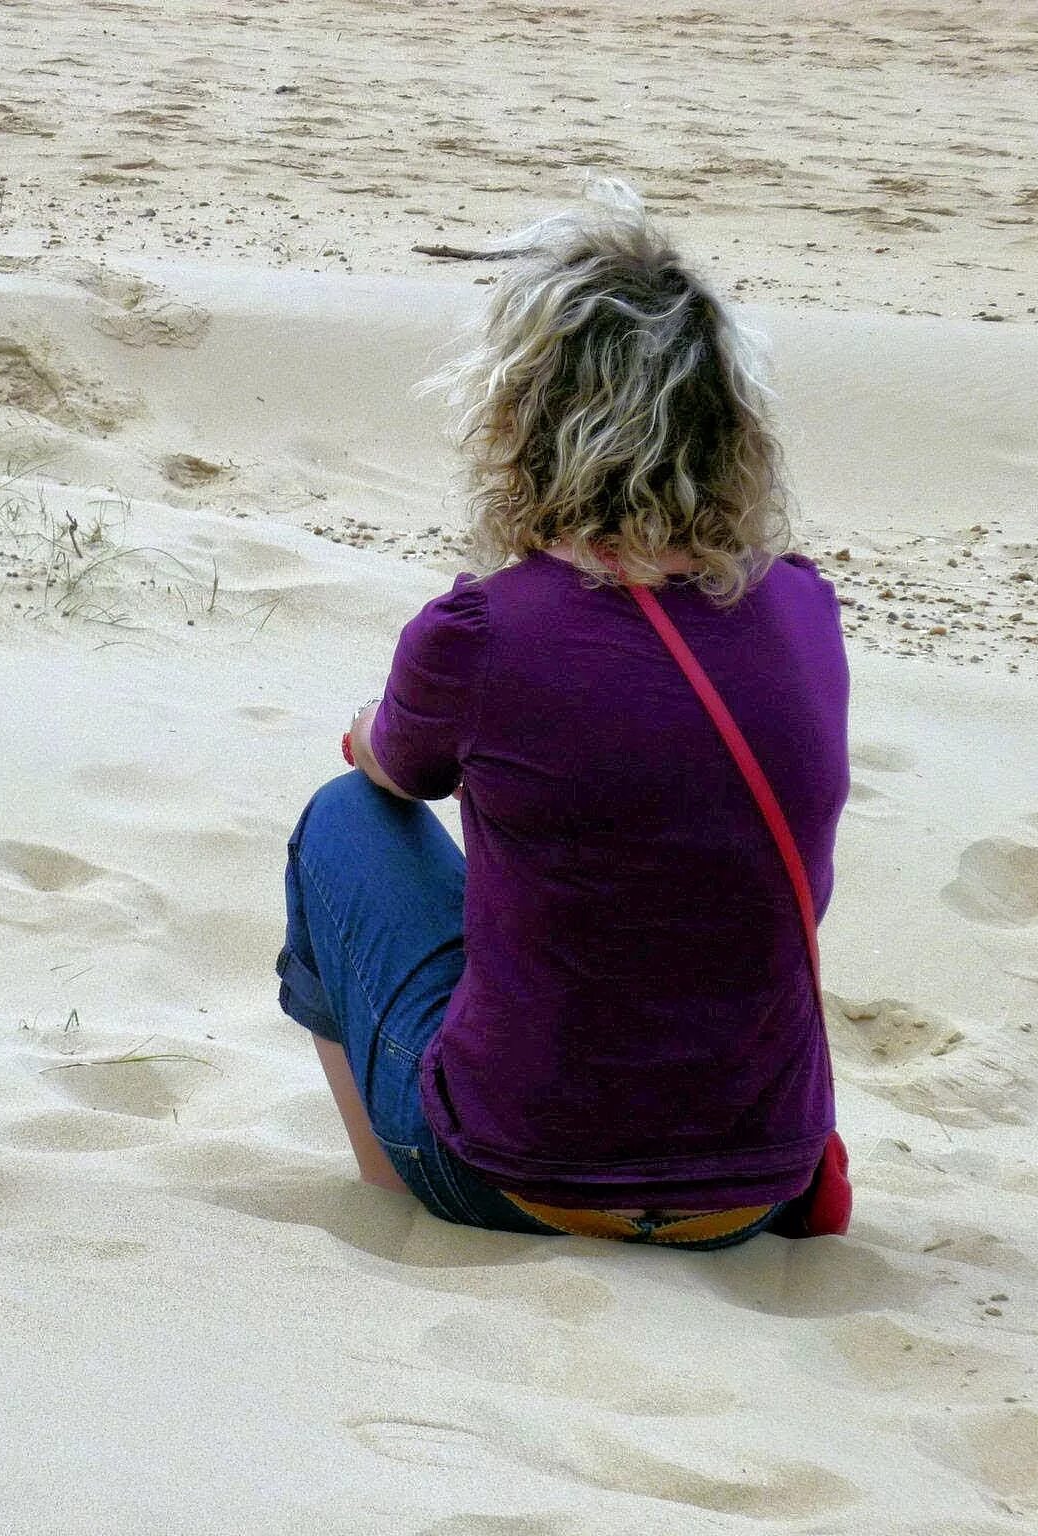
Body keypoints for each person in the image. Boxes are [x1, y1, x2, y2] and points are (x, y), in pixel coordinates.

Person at [276, 184, 851, 1249]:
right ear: (730, 426)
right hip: (751, 1186)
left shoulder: (484, 630)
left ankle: (400, 1197)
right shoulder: (801, 610)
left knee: (342, 819)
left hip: (515, 1174)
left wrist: (378, 726)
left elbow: (391, 769)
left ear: (525, 423)